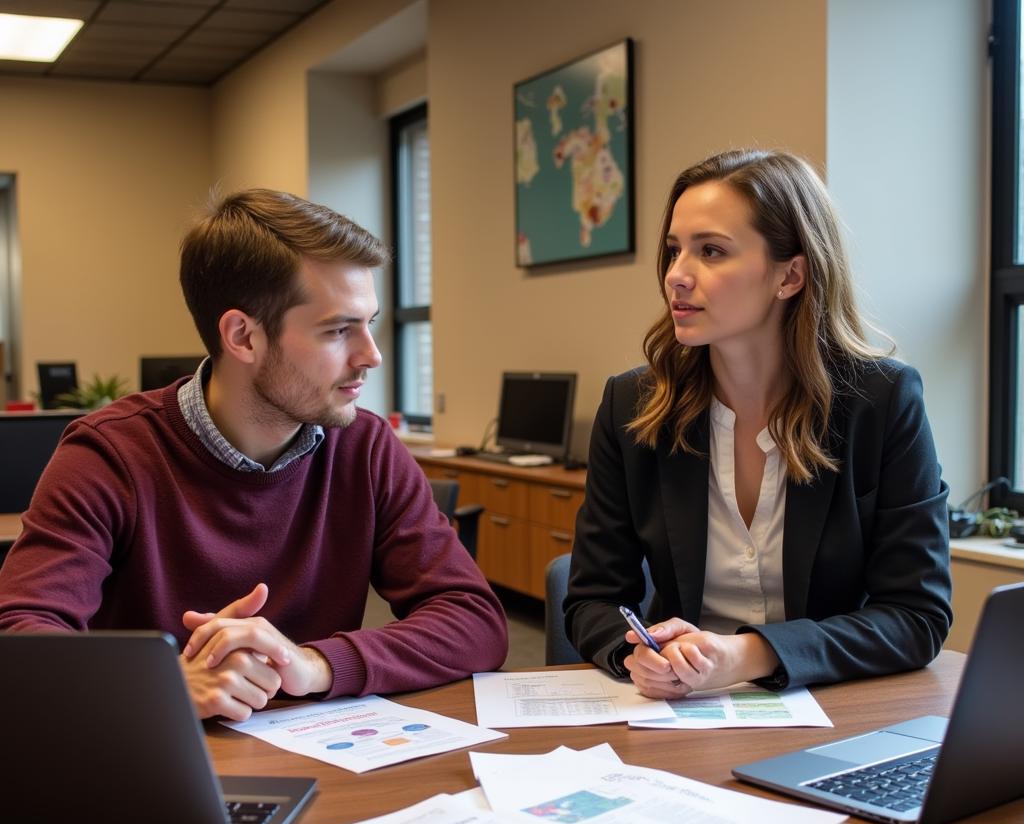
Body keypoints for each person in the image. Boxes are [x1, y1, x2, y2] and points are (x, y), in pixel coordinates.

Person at [0, 189, 508, 720]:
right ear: (243, 336)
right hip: (149, 763)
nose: (372, 356)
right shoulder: (111, 453)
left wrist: (313, 664)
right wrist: (163, 684)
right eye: (338, 330)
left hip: (324, 757)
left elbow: (473, 620)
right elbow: (21, 638)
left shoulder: (366, 447)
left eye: (370, 323)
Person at [565, 150, 951, 699]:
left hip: (835, 704)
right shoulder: (631, 404)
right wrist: (640, 655)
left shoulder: (883, 401)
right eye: (675, 251)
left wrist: (747, 655)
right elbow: (592, 600)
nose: (676, 275)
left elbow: (917, 615)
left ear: (790, 274)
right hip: (679, 713)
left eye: (712, 251)